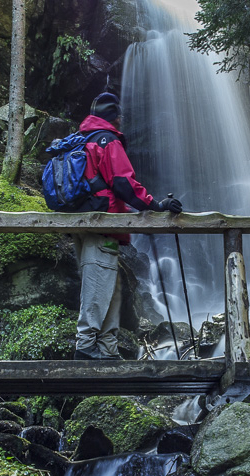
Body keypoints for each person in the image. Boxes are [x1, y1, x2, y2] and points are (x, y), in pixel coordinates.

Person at [73, 92, 182, 360]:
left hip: (91, 224)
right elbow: (122, 183)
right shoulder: (106, 141)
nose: (121, 120)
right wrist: (153, 204)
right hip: (103, 225)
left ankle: (107, 347)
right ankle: (86, 346)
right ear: (113, 116)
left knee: (110, 283)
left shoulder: (84, 139)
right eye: (119, 115)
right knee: (99, 281)